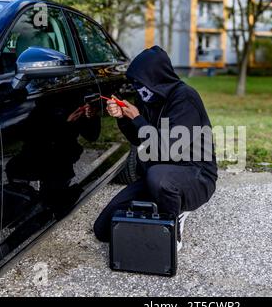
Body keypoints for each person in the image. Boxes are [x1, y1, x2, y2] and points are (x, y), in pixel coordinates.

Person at [93, 46, 218, 249]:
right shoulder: (148, 99)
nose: (138, 88)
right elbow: (137, 138)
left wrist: (137, 117)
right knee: (103, 229)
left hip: (196, 176)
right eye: (134, 83)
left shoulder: (185, 98)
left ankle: (173, 224)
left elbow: (169, 149)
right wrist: (123, 118)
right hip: (160, 173)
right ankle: (163, 203)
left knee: (158, 177)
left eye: (140, 82)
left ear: (156, 77)